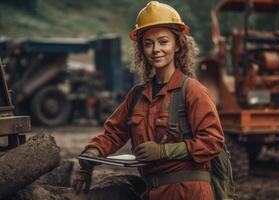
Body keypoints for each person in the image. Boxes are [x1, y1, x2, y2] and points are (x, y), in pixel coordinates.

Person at [72, 1, 224, 200]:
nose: (155, 49)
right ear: (142, 49)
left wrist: (164, 151)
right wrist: (90, 156)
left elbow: (213, 141)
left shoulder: (192, 91)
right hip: (152, 192)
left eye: (163, 41)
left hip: (188, 192)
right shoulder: (137, 95)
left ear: (178, 45)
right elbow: (114, 133)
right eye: (148, 43)